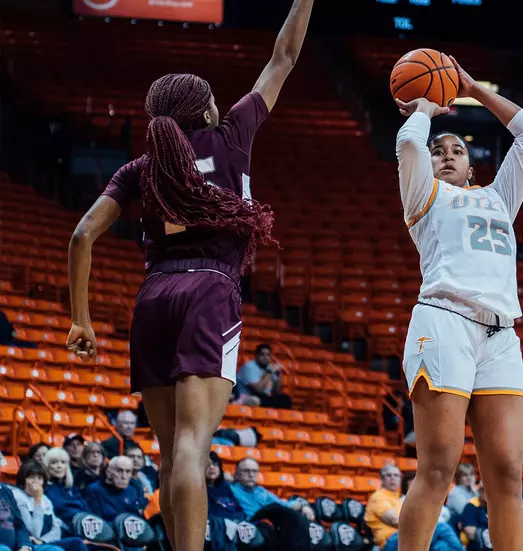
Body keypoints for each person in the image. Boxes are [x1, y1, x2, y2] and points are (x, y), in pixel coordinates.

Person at [64, 2, 314, 550]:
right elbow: (285, 56)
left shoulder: (138, 169)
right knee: (193, 450)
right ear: (203, 113)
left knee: (169, 449)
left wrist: (81, 321)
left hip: (153, 297)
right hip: (209, 289)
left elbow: (82, 235)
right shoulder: (231, 136)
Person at [394, 53, 523, 551]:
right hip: (445, 324)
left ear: (472, 161)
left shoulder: (499, 197)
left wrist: (473, 89)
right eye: (439, 151)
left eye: (456, 149)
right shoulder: (424, 197)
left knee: (506, 474)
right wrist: (425, 108)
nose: (446, 154)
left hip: (501, 335)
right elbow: (408, 144)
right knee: (438, 467)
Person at [11, 461, 87, 551]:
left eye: (39, 478)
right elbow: (35, 532)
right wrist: (37, 501)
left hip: (44, 542)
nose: (35, 481)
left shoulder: (45, 499)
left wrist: (43, 541)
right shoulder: (18, 497)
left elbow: (56, 528)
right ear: (23, 480)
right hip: (29, 545)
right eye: (31, 477)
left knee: (76, 542)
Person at [230, 458, 313, 520]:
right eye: (246, 471)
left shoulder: (261, 491)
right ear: (237, 474)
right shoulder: (230, 490)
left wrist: (303, 506)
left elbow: (283, 505)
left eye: (254, 471)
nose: (251, 475)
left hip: (267, 526)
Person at [41, 448, 90, 528]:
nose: (59, 466)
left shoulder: (72, 488)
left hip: (83, 526)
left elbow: (87, 510)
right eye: (54, 462)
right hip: (63, 529)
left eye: (63, 462)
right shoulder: (44, 489)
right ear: (47, 466)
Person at [236, 344, 292, 408]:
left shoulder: (270, 367)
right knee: (259, 400)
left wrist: (279, 374)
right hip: (248, 397)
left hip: (264, 398)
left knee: (285, 399)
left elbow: (277, 392)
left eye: (268, 355)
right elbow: (258, 389)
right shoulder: (249, 367)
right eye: (262, 354)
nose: (265, 357)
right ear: (256, 355)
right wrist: (269, 372)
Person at [366, 464, 403, 548]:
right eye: (388, 475)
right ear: (382, 479)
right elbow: (394, 521)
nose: (392, 478)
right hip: (389, 541)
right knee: (438, 529)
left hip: (403, 538)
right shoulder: (378, 497)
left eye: (396, 475)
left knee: (439, 544)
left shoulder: (397, 498)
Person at [205, 452, 245, 522]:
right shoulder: (196, 491)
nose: (212, 467)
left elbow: (239, 510)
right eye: (207, 465)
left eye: (215, 464)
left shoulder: (225, 487)